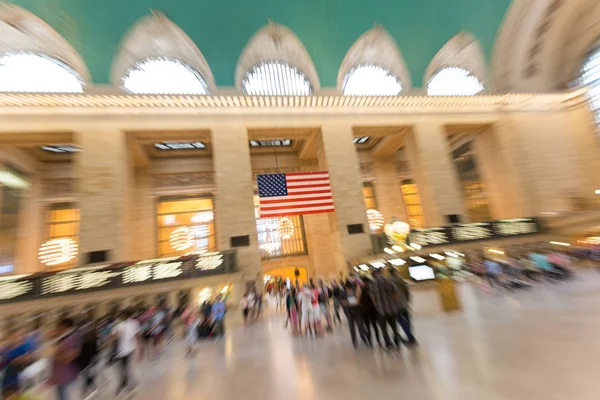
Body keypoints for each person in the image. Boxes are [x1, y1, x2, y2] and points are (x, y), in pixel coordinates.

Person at [50, 318, 82, 400]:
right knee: (61, 395)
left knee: (64, 396)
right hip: (61, 375)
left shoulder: (73, 338)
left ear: (63, 326)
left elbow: (70, 357)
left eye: (58, 326)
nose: (56, 329)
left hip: (66, 375)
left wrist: (55, 356)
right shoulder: (65, 337)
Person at [370, 269, 400, 350]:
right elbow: (395, 295)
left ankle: (388, 344)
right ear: (381, 274)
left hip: (381, 310)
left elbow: (373, 298)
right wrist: (393, 303)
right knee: (394, 327)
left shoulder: (373, 284)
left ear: (374, 275)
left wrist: (377, 306)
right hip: (391, 309)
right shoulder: (389, 282)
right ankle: (397, 343)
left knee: (383, 329)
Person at [113, 309, 140, 396]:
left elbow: (114, 337)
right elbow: (137, 335)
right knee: (126, 367)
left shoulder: (118, 325)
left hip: (122, 350)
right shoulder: (133, 323)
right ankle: (129, 383)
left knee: (123, 368)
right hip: (130, 349)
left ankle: (126, 385)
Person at [389, 268, 417, 346]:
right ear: (395, 272)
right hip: (404, 303)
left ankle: (410, 338)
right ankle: (411, 337)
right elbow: (406, 291)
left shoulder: (389, 281)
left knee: (402, 322)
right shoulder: (401, 280)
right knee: (408, 321)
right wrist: (408, 300)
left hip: (395, 305)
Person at [341, 279, 366, 348]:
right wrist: (350, 303)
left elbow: (357, 301)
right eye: (347, 288)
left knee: (360, 326)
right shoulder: (343, 292)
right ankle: (354, 342)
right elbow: (343, 302)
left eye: (350, 288)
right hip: (349, 312)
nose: (349, 289)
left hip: (357, 310)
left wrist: (348, 303)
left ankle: (363, 336)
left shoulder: (355, 290)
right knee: (351, 327)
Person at [78, 319, 99, 397]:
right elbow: (96, 350)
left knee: (86, 374)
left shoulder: (83, 340)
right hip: (90, 359)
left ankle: (88, 388)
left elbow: (80, 351)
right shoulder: (93, 338)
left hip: (84, 360)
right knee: (87, 374)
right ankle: (90, 387)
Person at [359, 279, 381, 348]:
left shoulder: (361, 290)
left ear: (365, 282)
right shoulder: (371, 290)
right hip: (372, 310)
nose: (361, 283)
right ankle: (378, 341)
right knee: (374, 326)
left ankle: (370, 342)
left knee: (368, 327)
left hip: (365, 311)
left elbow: (358, 301)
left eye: (362, 282)